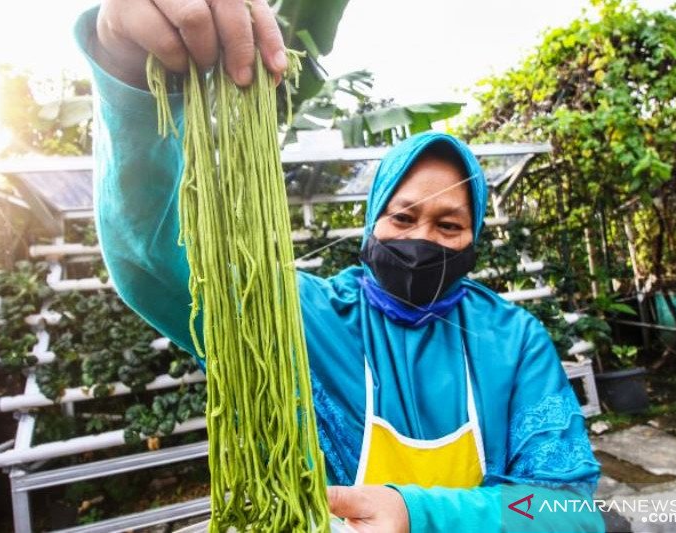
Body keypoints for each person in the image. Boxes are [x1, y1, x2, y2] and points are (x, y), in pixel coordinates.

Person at [76, 1, 605, 531]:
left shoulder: (513, 341)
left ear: (474, 238)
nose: (422, 238)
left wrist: (420, 514)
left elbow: (569, 509)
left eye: (448, 226)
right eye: (403, 217)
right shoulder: (301, 315)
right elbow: (153, 256)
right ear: (373, 221)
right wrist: (125, 62)